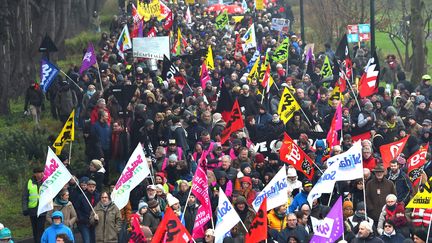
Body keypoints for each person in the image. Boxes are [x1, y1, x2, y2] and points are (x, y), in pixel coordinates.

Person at [22, 166, 46, 243]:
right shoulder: (29, 182)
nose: (42, 174)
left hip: (43, 210)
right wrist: (25, 208)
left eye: (42, 172)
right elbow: (25, 196)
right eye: (40, 172)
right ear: (35, 174)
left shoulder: (46, 181)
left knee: (40, 228)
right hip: (33, 210)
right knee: (35, 230)